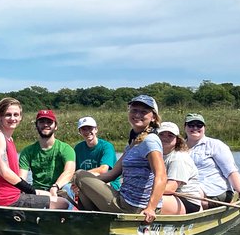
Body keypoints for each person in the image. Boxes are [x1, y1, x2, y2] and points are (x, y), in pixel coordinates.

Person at [73, 95, 169, 223]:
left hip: (133, 207)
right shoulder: (133, 142)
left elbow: (161, 176)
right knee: (81, 182)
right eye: (134, 110)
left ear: (153, 117)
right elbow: (112, 174)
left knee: (80, 174)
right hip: (124, 200)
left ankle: (92, 223)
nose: (137, 114)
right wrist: (85, 183)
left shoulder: (150, 140)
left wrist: (151, 208)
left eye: (144, 112)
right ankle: (94, 222)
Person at [0, 98, 63, 209]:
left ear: (20, 117)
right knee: (61, 203)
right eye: (8, 115)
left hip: (7, 193)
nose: (12, 118)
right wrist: (31, 190)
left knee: (51, 194)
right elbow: (5, 172)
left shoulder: (8, 138)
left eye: (16, 115)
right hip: (5, 198)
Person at [184, 113, 240, 206]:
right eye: (191, 125)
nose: (195, 128)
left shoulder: (216, 145)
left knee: (193, 195)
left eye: (199, 125)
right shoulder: (178, 147)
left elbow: (231, 171)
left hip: (215, 190)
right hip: (186, 187)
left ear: (204, 128)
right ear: (185, 127)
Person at [17, 110, 76, 197]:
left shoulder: (66, 149)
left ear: (55, 126)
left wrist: (55, 187)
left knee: (67, 188)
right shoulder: (27, 152)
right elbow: (22, 178)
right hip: (37, 190)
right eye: (41, 122)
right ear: (36, 125)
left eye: (49, 122)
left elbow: (69, 171)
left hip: (60, 188)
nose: (45, 125)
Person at [158, 121, 202, 213]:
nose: (165, 138)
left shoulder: (178, 158)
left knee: (147, 199)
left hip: (187, 201)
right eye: (161, 134)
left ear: (177, 139)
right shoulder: (155, 155)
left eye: (170, 135)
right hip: (169, 197)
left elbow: (170, 188)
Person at [73, 116, 119, 190]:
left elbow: (103, 170)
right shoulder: (78, 148)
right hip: (85, 182)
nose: (87, 132)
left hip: (108, 183)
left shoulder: (106, 147)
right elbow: (74, 170)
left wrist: (81, 176)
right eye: (84, 129)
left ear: (96, 129)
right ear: (79, 132)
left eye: (90, 128)